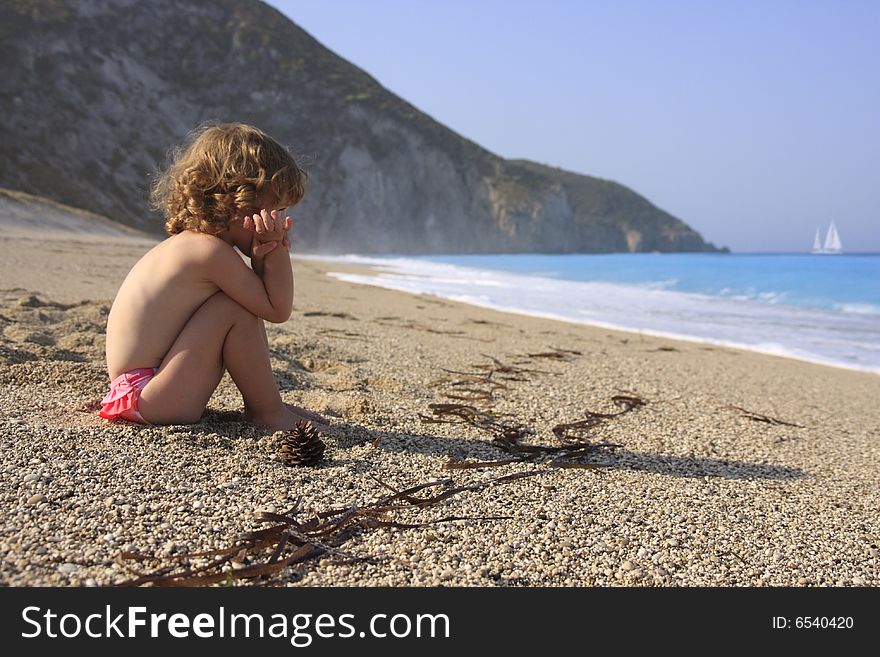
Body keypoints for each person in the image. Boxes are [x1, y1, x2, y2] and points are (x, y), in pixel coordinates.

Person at [99, 122, 327, 431]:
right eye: (277, 209)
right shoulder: (210, 253)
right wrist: (275, 251)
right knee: (234, 308)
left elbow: (263, 298)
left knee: (240, 303)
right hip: (151, 396)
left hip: (141, 390)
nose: (282, 221)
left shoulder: (192, 244)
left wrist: (262, 255)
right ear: (239, 202)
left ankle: (268, 405)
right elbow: (276, 309)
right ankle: (268, 413)